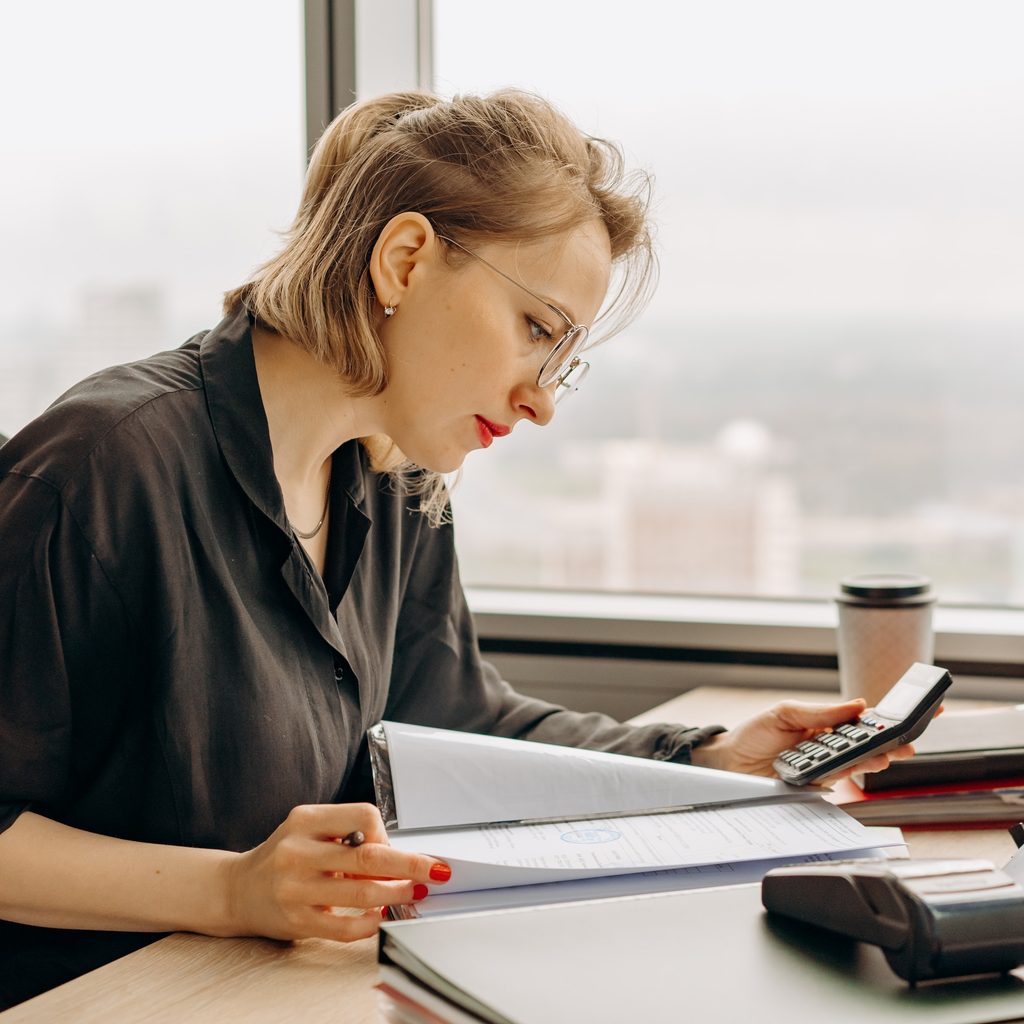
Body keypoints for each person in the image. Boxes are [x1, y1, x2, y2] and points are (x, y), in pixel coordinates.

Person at [0, 88, 911, 1008]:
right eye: (537, 330)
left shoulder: (392, 477)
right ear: (404, 261)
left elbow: (457, 720)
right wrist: (232, 890)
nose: (542, 398)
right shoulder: (99, 470)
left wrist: (707, 759)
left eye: (563, 357)